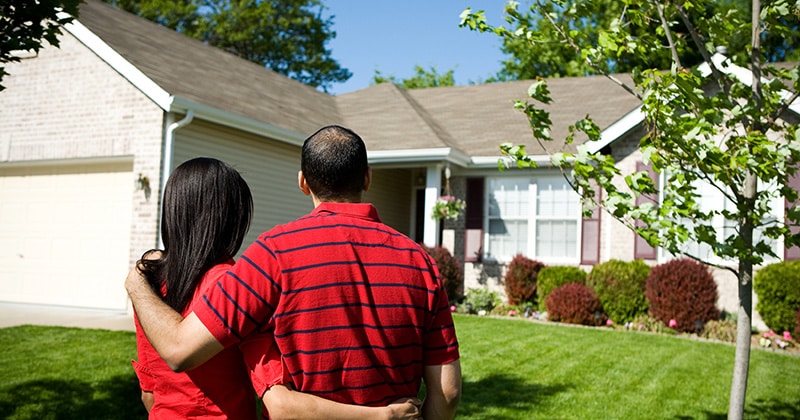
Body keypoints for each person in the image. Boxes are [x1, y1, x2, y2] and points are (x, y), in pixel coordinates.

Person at [126, 126, 462, 419]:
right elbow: (447, 393)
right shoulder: (421, 262)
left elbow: (175, 355)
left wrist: (137, 280)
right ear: (367, 178)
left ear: (303, 182)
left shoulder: (272, 254)